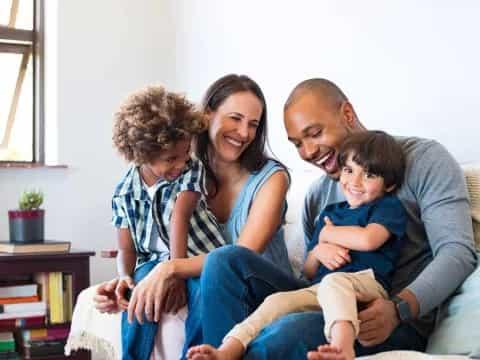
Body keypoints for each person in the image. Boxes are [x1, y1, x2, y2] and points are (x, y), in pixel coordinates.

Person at [192, 78, 477, 359]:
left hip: (387, 318)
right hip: (326, 300)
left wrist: (400, 308)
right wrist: (318, 251)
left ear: (347, 114)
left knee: (286, 333)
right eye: (297, 144)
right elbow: (310, 277)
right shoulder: (318, 196)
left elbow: (458, 252)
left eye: (314, 133)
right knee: (224, 260)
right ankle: (222, 352)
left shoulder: (424, 160)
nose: (308, 152)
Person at [92, 74, 292, 359]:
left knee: (213, 274)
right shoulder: (183, 167)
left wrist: (171, 268)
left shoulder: (271, 179)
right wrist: (128, 280)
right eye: (235, 118)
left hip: (260, 286)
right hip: (208, 275)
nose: (245, 133)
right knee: (147, 284)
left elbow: (238, 258)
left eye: (253, 124)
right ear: (206, 115)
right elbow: (145, 239)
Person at [187, 130, 407, 360]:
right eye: (349, 170)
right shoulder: (330, 213)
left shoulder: (386, 207)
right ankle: (227, 350)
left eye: (369, 175)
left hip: (367, 287)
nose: (355, 182)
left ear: (389, 184)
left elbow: (368, 240)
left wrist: (328, 234)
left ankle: (343, 347)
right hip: (320, 289)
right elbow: (309, 270)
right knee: (277, 301)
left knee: (335, 281)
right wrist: (320, 248)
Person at [109, 85, 227, 359]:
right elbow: (126, 249)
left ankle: (196, 355)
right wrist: (124, 276)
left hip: (199, 258)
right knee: (139, 295)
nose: (181, 162)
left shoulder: (191, 169)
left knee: (202, 297)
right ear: (141, 154)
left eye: (185, 152)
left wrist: (175, 272)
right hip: (152, 262)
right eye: (170, 158)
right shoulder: (124, 192)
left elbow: (179, 217)